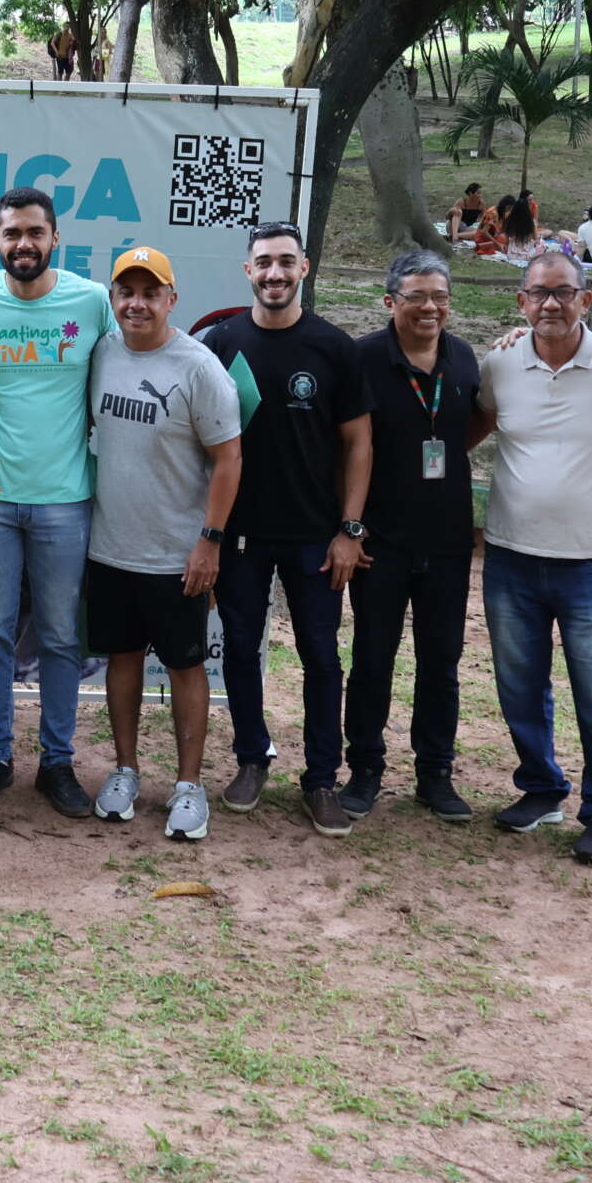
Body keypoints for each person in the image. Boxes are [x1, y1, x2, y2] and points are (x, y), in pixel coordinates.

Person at [476, 250, 592, 862]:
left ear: (587, 298)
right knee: (519, 686)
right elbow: (474, 426)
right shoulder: (500, 363)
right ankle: (542, 786)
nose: (551, 303)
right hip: (510, 556)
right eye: (539, 293)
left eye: (564, 292)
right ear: (521, 302)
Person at [199, 222, 371, 837]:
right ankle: (252, 758)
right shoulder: (220, 344)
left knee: (321, 657)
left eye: (286, 262)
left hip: (315, 537)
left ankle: (322, 779)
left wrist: (349, 529)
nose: (275, 273)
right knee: (241, 650)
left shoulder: (334, 348)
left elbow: (357, 443)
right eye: (263, 262)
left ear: (305, 269)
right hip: (241, 535)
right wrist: (209, 532)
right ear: (248, 271)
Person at [0, 188, 115, 816]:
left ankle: (57, 763)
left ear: (54, 238)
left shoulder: (91, 301)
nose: (24, 243)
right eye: (12, 233)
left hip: (66, 498)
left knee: (60, 637)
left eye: (35, 232)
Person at [85, 247, 240, 840]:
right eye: (127, 292)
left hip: (178, 553)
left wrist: (210, 541)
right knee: (121, 661)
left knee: (184, 664)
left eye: (151, 293)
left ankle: (188, 786)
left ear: (172, 299)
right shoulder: (100, 354)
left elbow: (229, 460)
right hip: (110, 546)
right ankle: (124, 771)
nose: (137, 303)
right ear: (114, 299)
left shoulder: (198, 367)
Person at [341, 252, 482, 825]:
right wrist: (349, 528)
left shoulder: (466, 358)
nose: (430, 307)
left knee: (441, 661)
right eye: (417, 296)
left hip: (447, 540)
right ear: (390, 301)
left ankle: (435, 773)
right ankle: (365, 770)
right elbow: (345, 447)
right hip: (381, 541)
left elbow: (474, 425)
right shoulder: (364, 360)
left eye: (440, 297)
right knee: (373, 659)